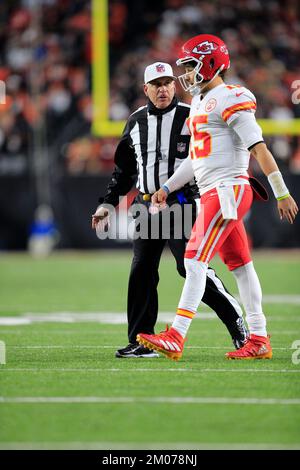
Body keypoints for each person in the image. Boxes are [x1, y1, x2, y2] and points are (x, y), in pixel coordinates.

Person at [137, 36, 299, 360]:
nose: (186, 73)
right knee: (241, 265)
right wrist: (167, 187)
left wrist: (282, 192)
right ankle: (259, 338)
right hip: (215, 190)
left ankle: (176, 335)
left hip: (228, 189)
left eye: (191, 66)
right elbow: (196, 159)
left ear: (211, 64)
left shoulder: (230, 96)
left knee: (193, 259)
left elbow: (259, 148)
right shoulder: (200, 101)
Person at [92, 61, 248, 358]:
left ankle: (237, 323)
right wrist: (107, 203)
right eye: (156, 84)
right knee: (142, 270)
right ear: (146, 89)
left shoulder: (193, 115)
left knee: (189, 267)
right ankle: (142, 339)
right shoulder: (135, 122)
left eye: (167, 83)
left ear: (174, 85)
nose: (163, 89)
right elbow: (124, 171)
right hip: (146, 204)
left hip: (181, 202)